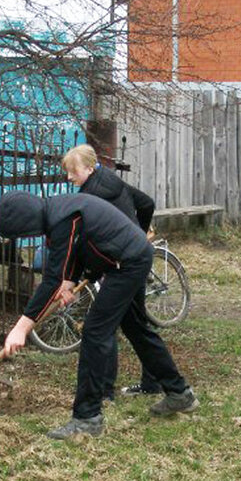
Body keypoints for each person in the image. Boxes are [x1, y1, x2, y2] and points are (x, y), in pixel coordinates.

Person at [0, 190, 198, 439]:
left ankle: (87, 418)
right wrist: (69, 281)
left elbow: (51, 280)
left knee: (95, 331)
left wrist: (21, 328)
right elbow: (79, 248)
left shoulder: (62, 219)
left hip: (128, 264)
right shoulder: (60, 212)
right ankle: (179, 393)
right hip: (127, 259)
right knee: (136, 329)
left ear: (25, 223)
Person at [62, 144, 161, 398]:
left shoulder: (92, 195)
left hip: (120, 264)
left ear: (88, 167)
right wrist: (139, 235)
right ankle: (152, 382)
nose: (69, 177)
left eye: (73, 172)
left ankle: (105, 389)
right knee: (135, 323)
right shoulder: (111, 181)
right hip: (132, 257)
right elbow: (146, 203)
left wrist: (76, 275)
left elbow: (84, 239)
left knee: (104, 325)